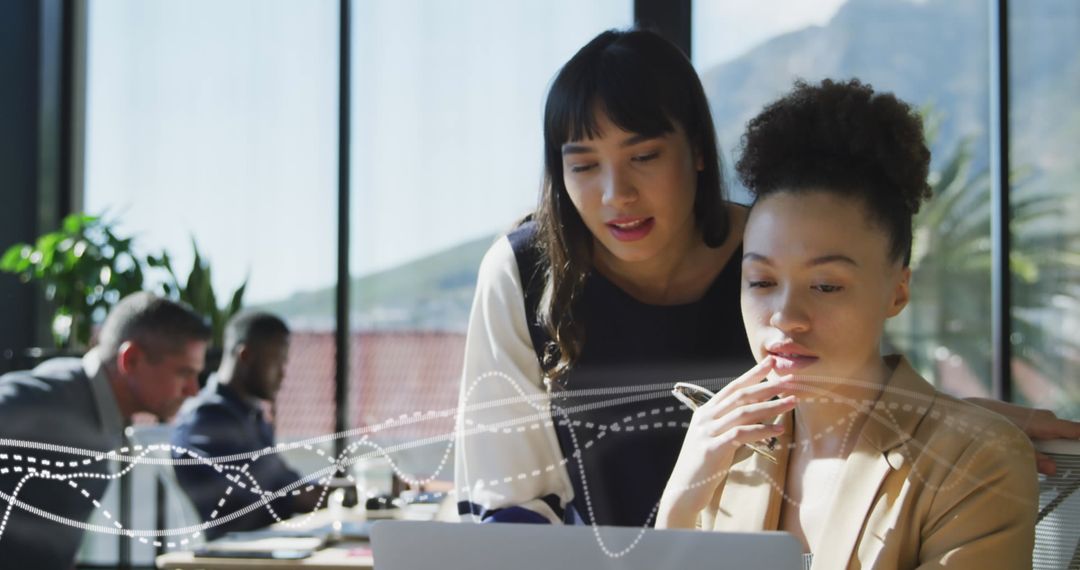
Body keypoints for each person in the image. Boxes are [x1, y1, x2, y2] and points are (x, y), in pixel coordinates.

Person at [454, 28, 1078, 528]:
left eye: (644, 156)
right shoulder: (524, 271)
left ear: (698, 150)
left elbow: (847, 388)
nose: (618, 195)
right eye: (584, 165)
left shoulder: (769, 254)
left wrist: (957, 424)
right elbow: (508, 493)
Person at [656, 78, 1039, 568]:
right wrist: (679, 502)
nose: (786, 318)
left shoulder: (974, 458)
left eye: (826, 286)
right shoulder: (732, 456)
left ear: (898, 291)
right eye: (762, 281)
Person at [0, 292, 210, 568]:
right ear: (131, 359)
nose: (194, 390)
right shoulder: (44, 402)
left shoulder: (99, 407)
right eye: (184, 373)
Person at [172, 311, 319, 539]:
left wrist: (341, 492)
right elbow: (249, 501)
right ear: (246, 355)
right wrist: (330, 496)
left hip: (266, 547)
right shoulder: (206, 418)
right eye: (277, 361)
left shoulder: (251, 416)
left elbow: (285, 482)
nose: (283, 374)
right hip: (238, 555)